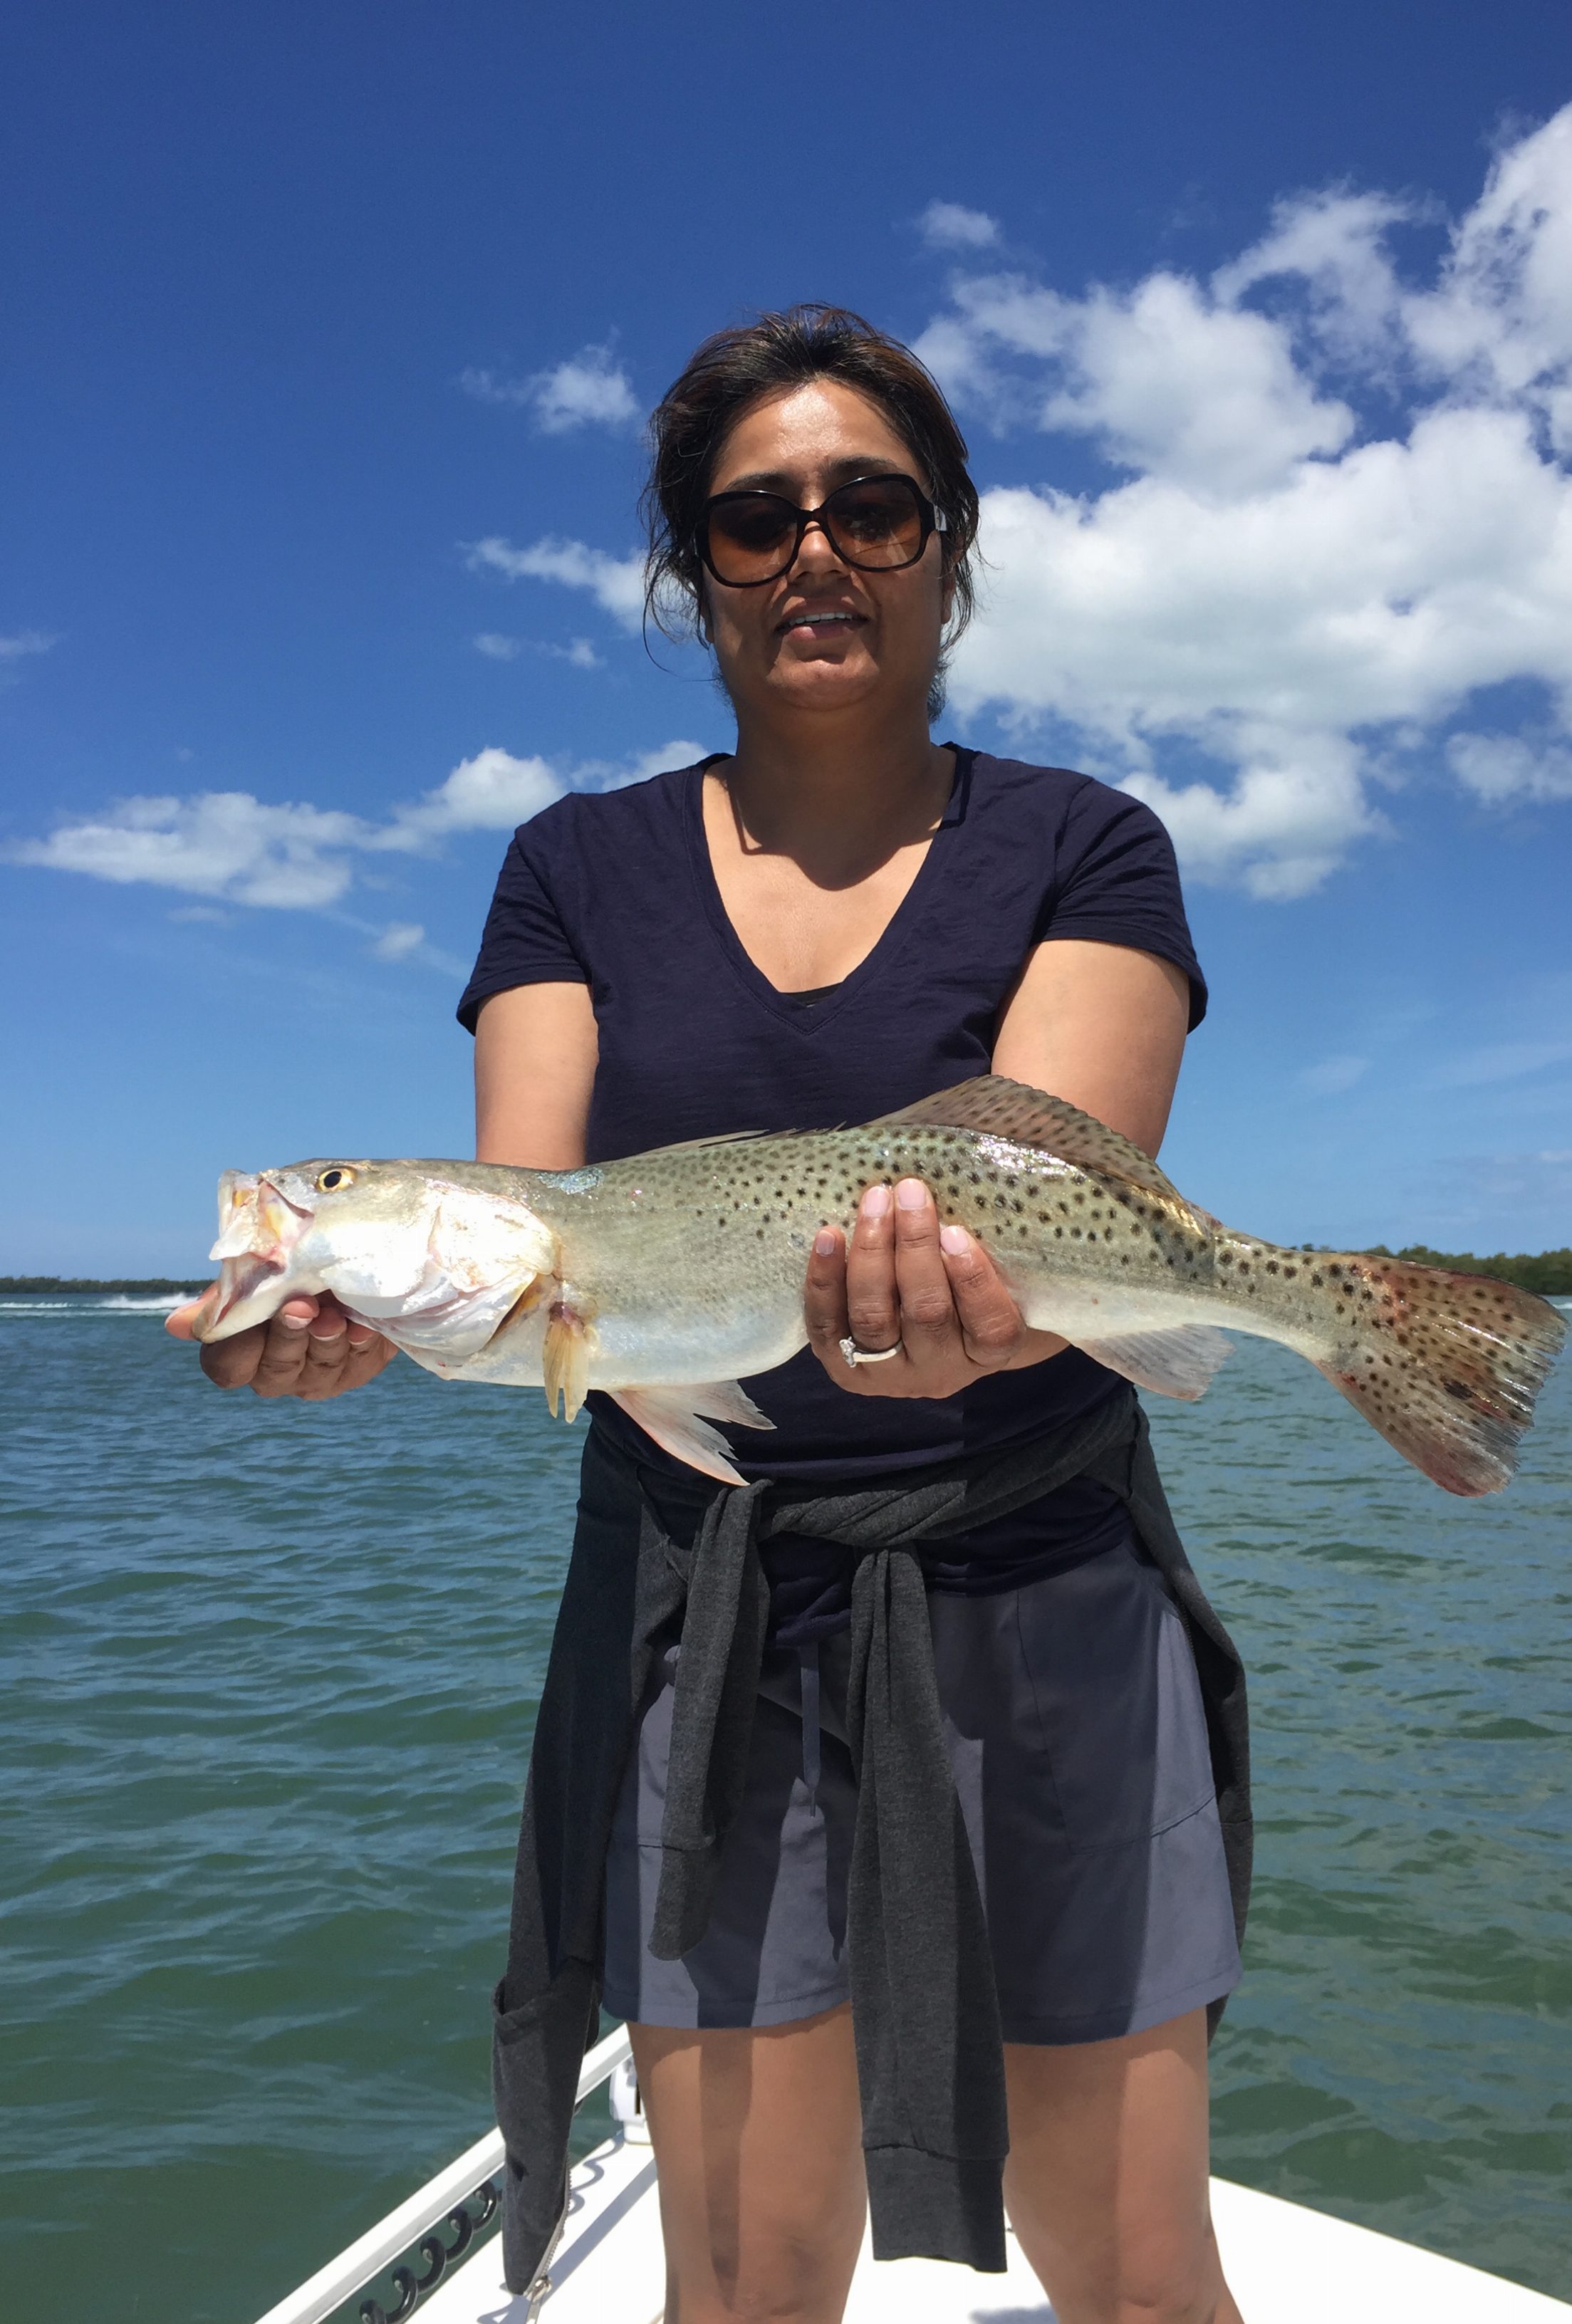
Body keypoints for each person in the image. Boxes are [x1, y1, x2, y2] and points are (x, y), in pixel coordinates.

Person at [171, 305, 1249, 2324]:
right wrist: (348, 1315)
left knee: (1133, 2262)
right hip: (706, 1598)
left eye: (872, 504)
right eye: (755, 521)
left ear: (950, 540)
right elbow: (542, 1234)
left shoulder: (1088, 845)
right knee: (739, 2275)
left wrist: (986, 1323)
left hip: (1043, 1586)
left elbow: (1067, 1199)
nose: (816, 550)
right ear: (694, 571)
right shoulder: (570, 868)